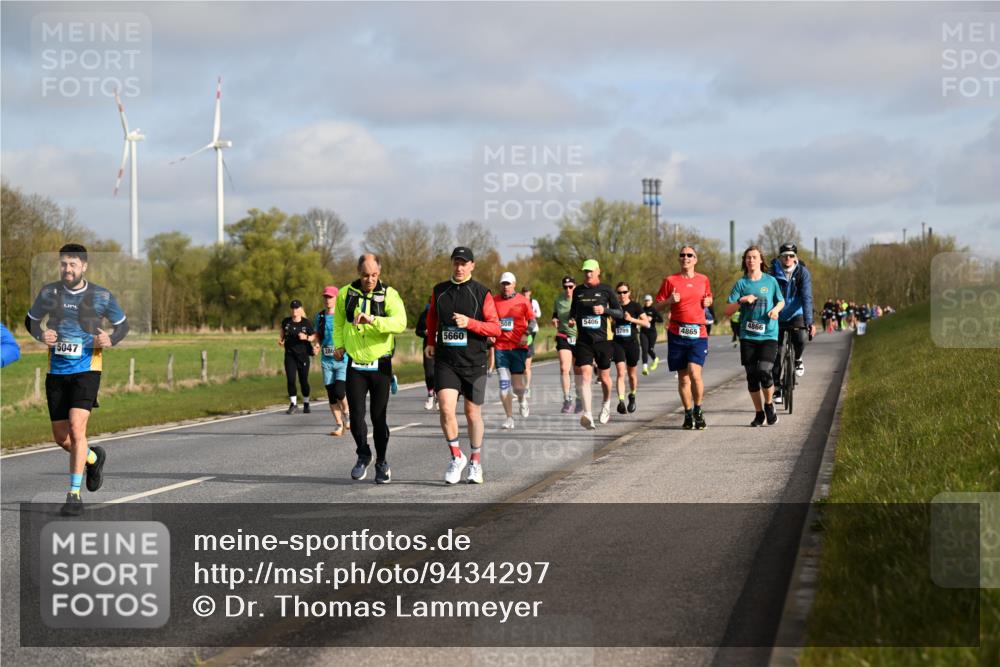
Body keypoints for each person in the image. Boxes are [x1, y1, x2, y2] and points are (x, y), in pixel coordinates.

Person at [25, 243, 128, 516]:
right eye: (63, 264)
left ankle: (73, 494)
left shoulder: (101, 296)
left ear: (84, 266)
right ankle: (93, 458)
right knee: (61, 437)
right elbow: (31, 321)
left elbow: (123, 326)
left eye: (73, 264)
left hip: (87, 368)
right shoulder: (49, 293)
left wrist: (110, 338)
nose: (67, 269)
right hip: (56, 371)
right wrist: (40, 335)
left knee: (76, 426)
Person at [425, 247, 500, 484]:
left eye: (464, 263)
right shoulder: (440, 290)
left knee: (472, 413)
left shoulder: (481, 293)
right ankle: (457, 456)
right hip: (447, 361)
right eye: (456, 263)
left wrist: (470, 323)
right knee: (446, 408)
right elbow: (432, 319)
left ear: (472, 266)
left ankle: (475, 462)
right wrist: (430, 341)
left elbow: (495, 328)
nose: (459, 267)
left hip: (474, 362)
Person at [333, 254, 407, 484]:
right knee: (355, 416)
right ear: (358, 272)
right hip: (355, 363)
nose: (370, 279)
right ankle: (363, 453)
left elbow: (400, 323)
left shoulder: (389, 294)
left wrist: (373, 320)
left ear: (379, 273)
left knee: (378, 416)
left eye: (374, 275)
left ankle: (382, 462)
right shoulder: (345, 293)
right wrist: (339, 345)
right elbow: (338, 322)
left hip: (380, 364)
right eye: (366, 275)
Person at [654, 245, 713, 430]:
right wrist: (669, 301)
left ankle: (698, 409)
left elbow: (708, 297)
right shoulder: (670, 280)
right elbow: (656, 306)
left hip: (698, 333)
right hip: (677, 333)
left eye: (690, 255)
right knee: (683, 378)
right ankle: (688, 413)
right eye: (683, 255)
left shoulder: (703, 279)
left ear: (695, 259)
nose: (686, 258)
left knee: (695, 373)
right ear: (679, 259)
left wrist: (709, 301)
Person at [725, 245, 784, 427]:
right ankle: (759, 414)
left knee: (764, 371)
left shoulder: (770, 281)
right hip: (748, 336)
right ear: (745, 261)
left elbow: (781, 301)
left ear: (761, 260)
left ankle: (768, 405)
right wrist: (742, 300)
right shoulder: (741, 284)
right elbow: (727, 310)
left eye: (754, 257)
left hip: (768, 334)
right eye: (748, 257)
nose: (751, 260)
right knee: (751, 377)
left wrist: (775, 310)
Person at [569, 259, 621, 429]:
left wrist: (604, 310)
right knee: (585, 376)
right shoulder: (578, 291)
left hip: (603, 340)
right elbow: (573, 312)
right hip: (584, 340)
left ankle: (606, 404)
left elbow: (619, 313)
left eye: (591, 271)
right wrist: (571, 320)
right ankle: (588, 414)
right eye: (585, 271)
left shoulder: (606, 290)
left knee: (604, 378)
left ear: (598, 271)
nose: (588, 274)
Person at [770, 243, 816, 405]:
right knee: (777, 351)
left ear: (795, 257)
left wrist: (810, 322)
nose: (788, 258)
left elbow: (807, 297)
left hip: (797, 312)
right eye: (784, 255)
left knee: (801, 337)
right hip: (777, 313)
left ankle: (798, 359)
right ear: (779, 257)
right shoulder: (772, 272)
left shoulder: (802, 272)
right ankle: (776, 387)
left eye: (791, 255)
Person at [494, 273, 537, 429]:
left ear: (514, 284)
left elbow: (532, 321)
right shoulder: (494, 301)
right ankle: (509, 418)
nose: (505, 286)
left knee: (518, 386)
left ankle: (522, 400)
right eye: (503, 284)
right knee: (504, 384)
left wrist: (526, 334)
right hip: (501, 347)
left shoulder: (523, 301)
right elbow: (489, 320)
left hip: (518, 347)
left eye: (508, 283)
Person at [313, 286, 350, 436]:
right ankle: (338, 424)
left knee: (340, 391)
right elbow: (318, 335)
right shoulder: (320, 316)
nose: (327, 300)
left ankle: (347, 413)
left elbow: (348, 336)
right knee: (331, 393)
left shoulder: (342, 316)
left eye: (330, 297)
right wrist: (316, 345)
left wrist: (344, 349)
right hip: (326, 360)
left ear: (336, 298)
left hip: (342, 360)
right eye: (325, 297)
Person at [612, 282, 649, 414]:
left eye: (624, 292)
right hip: (618, 343)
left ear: (629, 292)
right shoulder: (614, 306)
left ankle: (632, 395)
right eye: (619, 292)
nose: (622, 295)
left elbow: (647, 323)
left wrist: (632, 319)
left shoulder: (635, 306)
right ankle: (621, 401)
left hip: (632, 343)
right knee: (621, 372)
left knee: (632, 375)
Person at [279, 300, 315, 414]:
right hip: (290, 355)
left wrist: (306, 337)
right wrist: (281, 340)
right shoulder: (286, 322)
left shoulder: (306, 323)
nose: (294, 310)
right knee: (291, 379)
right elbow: (282, 334)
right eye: (293, 308)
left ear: (300, 309)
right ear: (291, 309)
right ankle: (293, 404)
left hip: (303, 356)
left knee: (303, 380)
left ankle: (306, 403)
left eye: (297, 308)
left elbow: (313, 336)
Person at [551, 276, 580, 413]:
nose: (568, 289)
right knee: (564, 368)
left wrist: (576, 321)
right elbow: (555, 314)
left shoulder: (581, 299)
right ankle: (567, 399)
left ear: (575, 286)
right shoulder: (558, 300)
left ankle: (579, 398)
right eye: (565, 287)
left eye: (570, 286)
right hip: (563, 335)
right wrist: (555, 319)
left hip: (580, 337)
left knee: (578, 370)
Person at [414, 300, 437, 410]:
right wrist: (424, 332)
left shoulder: (445, 312)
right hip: (428, 347)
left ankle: (439, 398)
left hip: (444, 348)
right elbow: (417, 330)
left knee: (441, 374)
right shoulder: (425, 314)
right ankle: (430, 395)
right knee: (429, 373)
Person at [520, 286, 542, 398]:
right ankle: (519, 387)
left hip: (531, 331)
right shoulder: (518, 301)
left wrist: (531, 313)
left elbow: (539, 314)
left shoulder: (534, 302)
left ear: (530, 292)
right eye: (524, 292)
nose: (525, 294)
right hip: (519, 332)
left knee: (527, 363)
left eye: (527, 292)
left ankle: (527, 387)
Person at [640, 294, 663, 375]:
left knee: (650, 349)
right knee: (644, 350)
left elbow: (661, 320)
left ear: (651, 301)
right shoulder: (641, 309)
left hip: (652, 333)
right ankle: (645, 368)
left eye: (648, 300)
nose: (647, 302)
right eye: (646, 300)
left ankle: (655, 359)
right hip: (643, 332)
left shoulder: (653, 310)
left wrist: (652, 318)